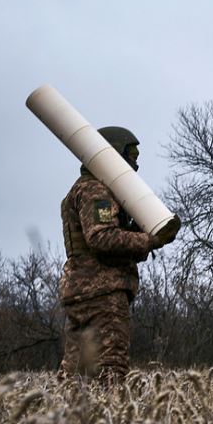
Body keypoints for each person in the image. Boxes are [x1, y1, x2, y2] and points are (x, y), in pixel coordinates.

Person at [59, 126, 179, 383]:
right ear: (114, 154)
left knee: (75, 374)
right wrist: (150, 239)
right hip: (102, 294)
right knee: (110, 371)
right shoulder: (96, 191)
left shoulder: (84, 188)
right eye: (131, 153)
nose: (136, 161)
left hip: (83, 292)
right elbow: (102, 238)